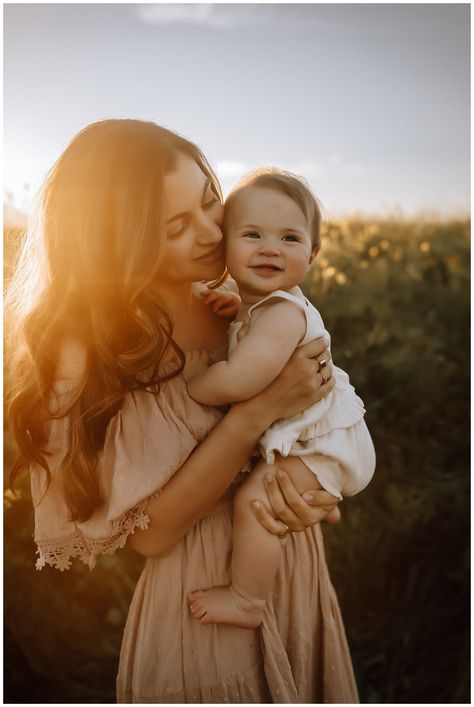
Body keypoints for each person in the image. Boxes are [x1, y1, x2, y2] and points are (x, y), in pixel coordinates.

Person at [6, 119, 359, 703]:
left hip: (288, 567)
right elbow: (154, 533)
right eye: (175, 226)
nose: (206, 232)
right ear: (116, 241)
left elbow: (305, 437)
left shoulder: (240, 306)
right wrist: (256, 411)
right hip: (203, 598)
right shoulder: (105, 346)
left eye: (209, 203)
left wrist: (315, 491)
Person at [183, 168, 376, 630]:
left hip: (321, 446)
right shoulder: (264, 306)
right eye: (252, 235)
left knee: (258, 501)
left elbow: (239, 380)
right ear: (226, 248)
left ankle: (248, 600)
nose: (270, 248)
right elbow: (251, 321)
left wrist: (195, 384)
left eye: (290, 238)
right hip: (318, 439)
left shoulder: (282, 316)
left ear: (312, 255)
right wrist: (237, 305)